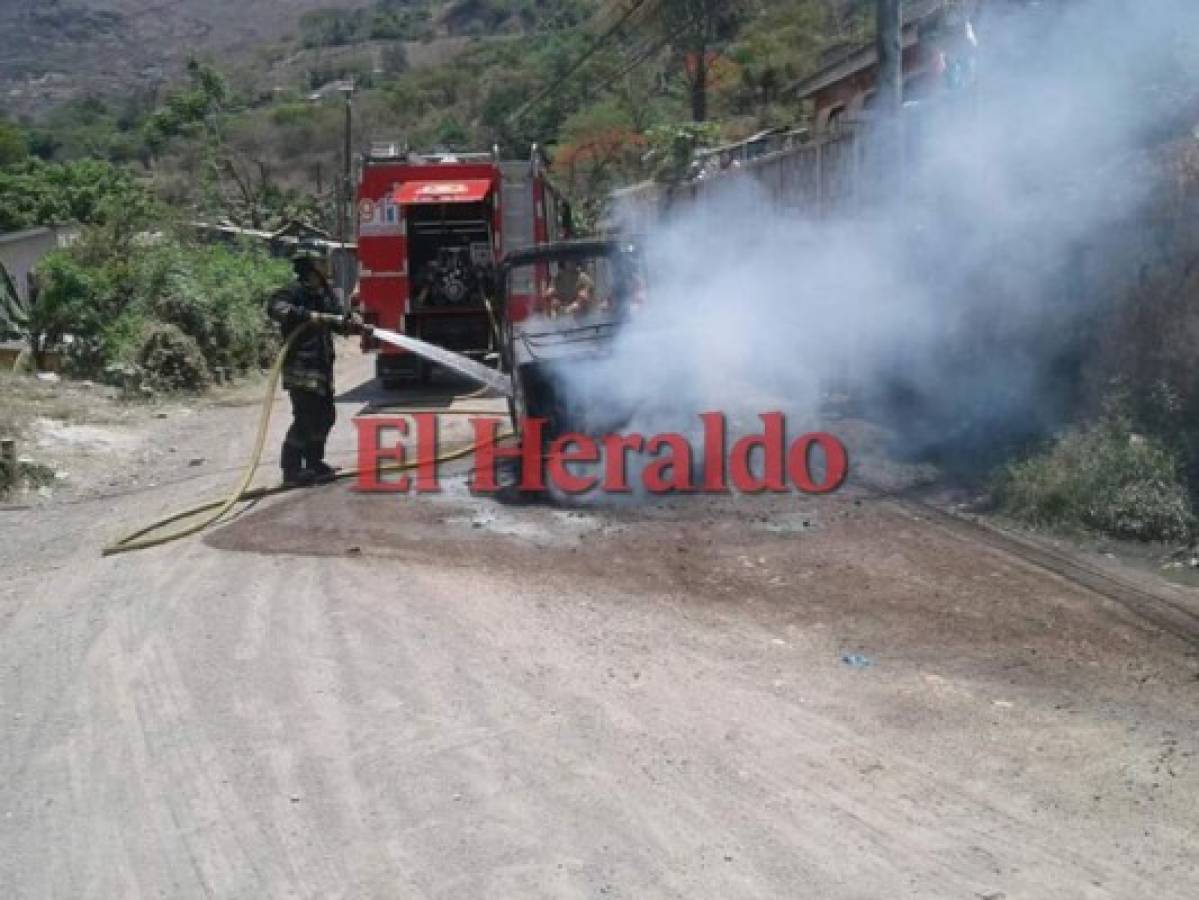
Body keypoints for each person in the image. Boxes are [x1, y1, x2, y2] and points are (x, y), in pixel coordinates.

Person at [267, 245, 362, 487]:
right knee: (305, 418)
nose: (326, 266)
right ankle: (291, 470)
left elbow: (336, 318)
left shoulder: (323, 293)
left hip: (321, 367)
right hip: (301, 366)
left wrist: (350, 322)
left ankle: (314, 463)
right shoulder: (293, 291)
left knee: (326, 415)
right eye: (322, 262)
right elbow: (276, 308)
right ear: (309, 265)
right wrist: (306, 315)